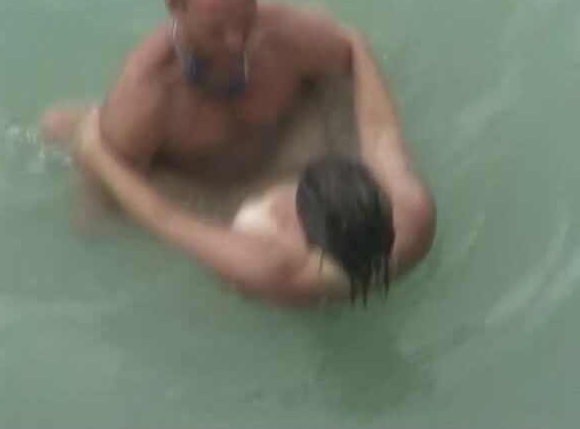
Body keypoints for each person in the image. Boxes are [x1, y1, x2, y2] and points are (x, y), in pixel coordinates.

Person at [74, 26, 433, 305]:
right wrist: (354, 46)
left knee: (63, 125)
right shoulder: (413, 218)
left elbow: (165, 218)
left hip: (234, 221)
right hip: (340, 256)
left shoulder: (272, 270)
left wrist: (98, 155)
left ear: (311, 243)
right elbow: (380, 132)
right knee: (328, 93)